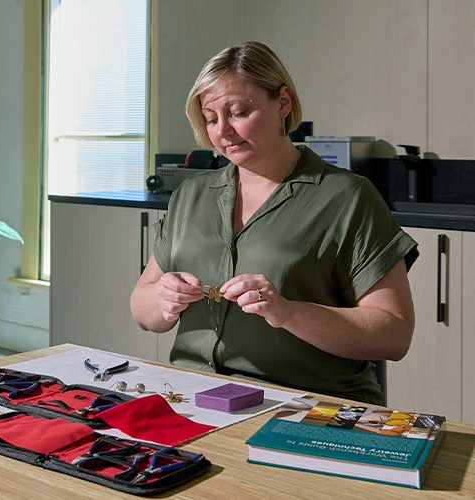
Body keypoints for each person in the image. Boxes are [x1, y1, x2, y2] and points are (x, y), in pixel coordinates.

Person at [130, 41, 417, 405]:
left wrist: (287, 312)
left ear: (282, 102)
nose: (223, 132)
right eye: (211, 118)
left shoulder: (348, 198)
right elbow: (143, 308)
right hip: (193, 397)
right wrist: (162, 298)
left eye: (238, 112)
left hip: (305, 405)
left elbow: (393, 334)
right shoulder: (191, 194)